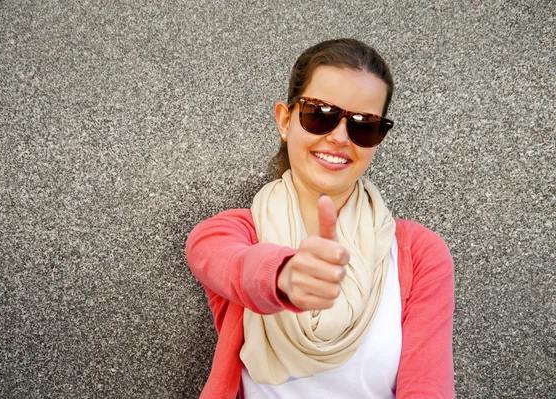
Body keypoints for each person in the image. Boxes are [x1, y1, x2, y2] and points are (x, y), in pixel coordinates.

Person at [186, 38, 454, 399]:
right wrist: (282, 276)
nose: (340, 137)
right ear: (285, 120)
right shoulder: (236, 233)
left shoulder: (419, 254)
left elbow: (427, 389)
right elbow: (220, 259)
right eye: (320, 114)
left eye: (364, 125)